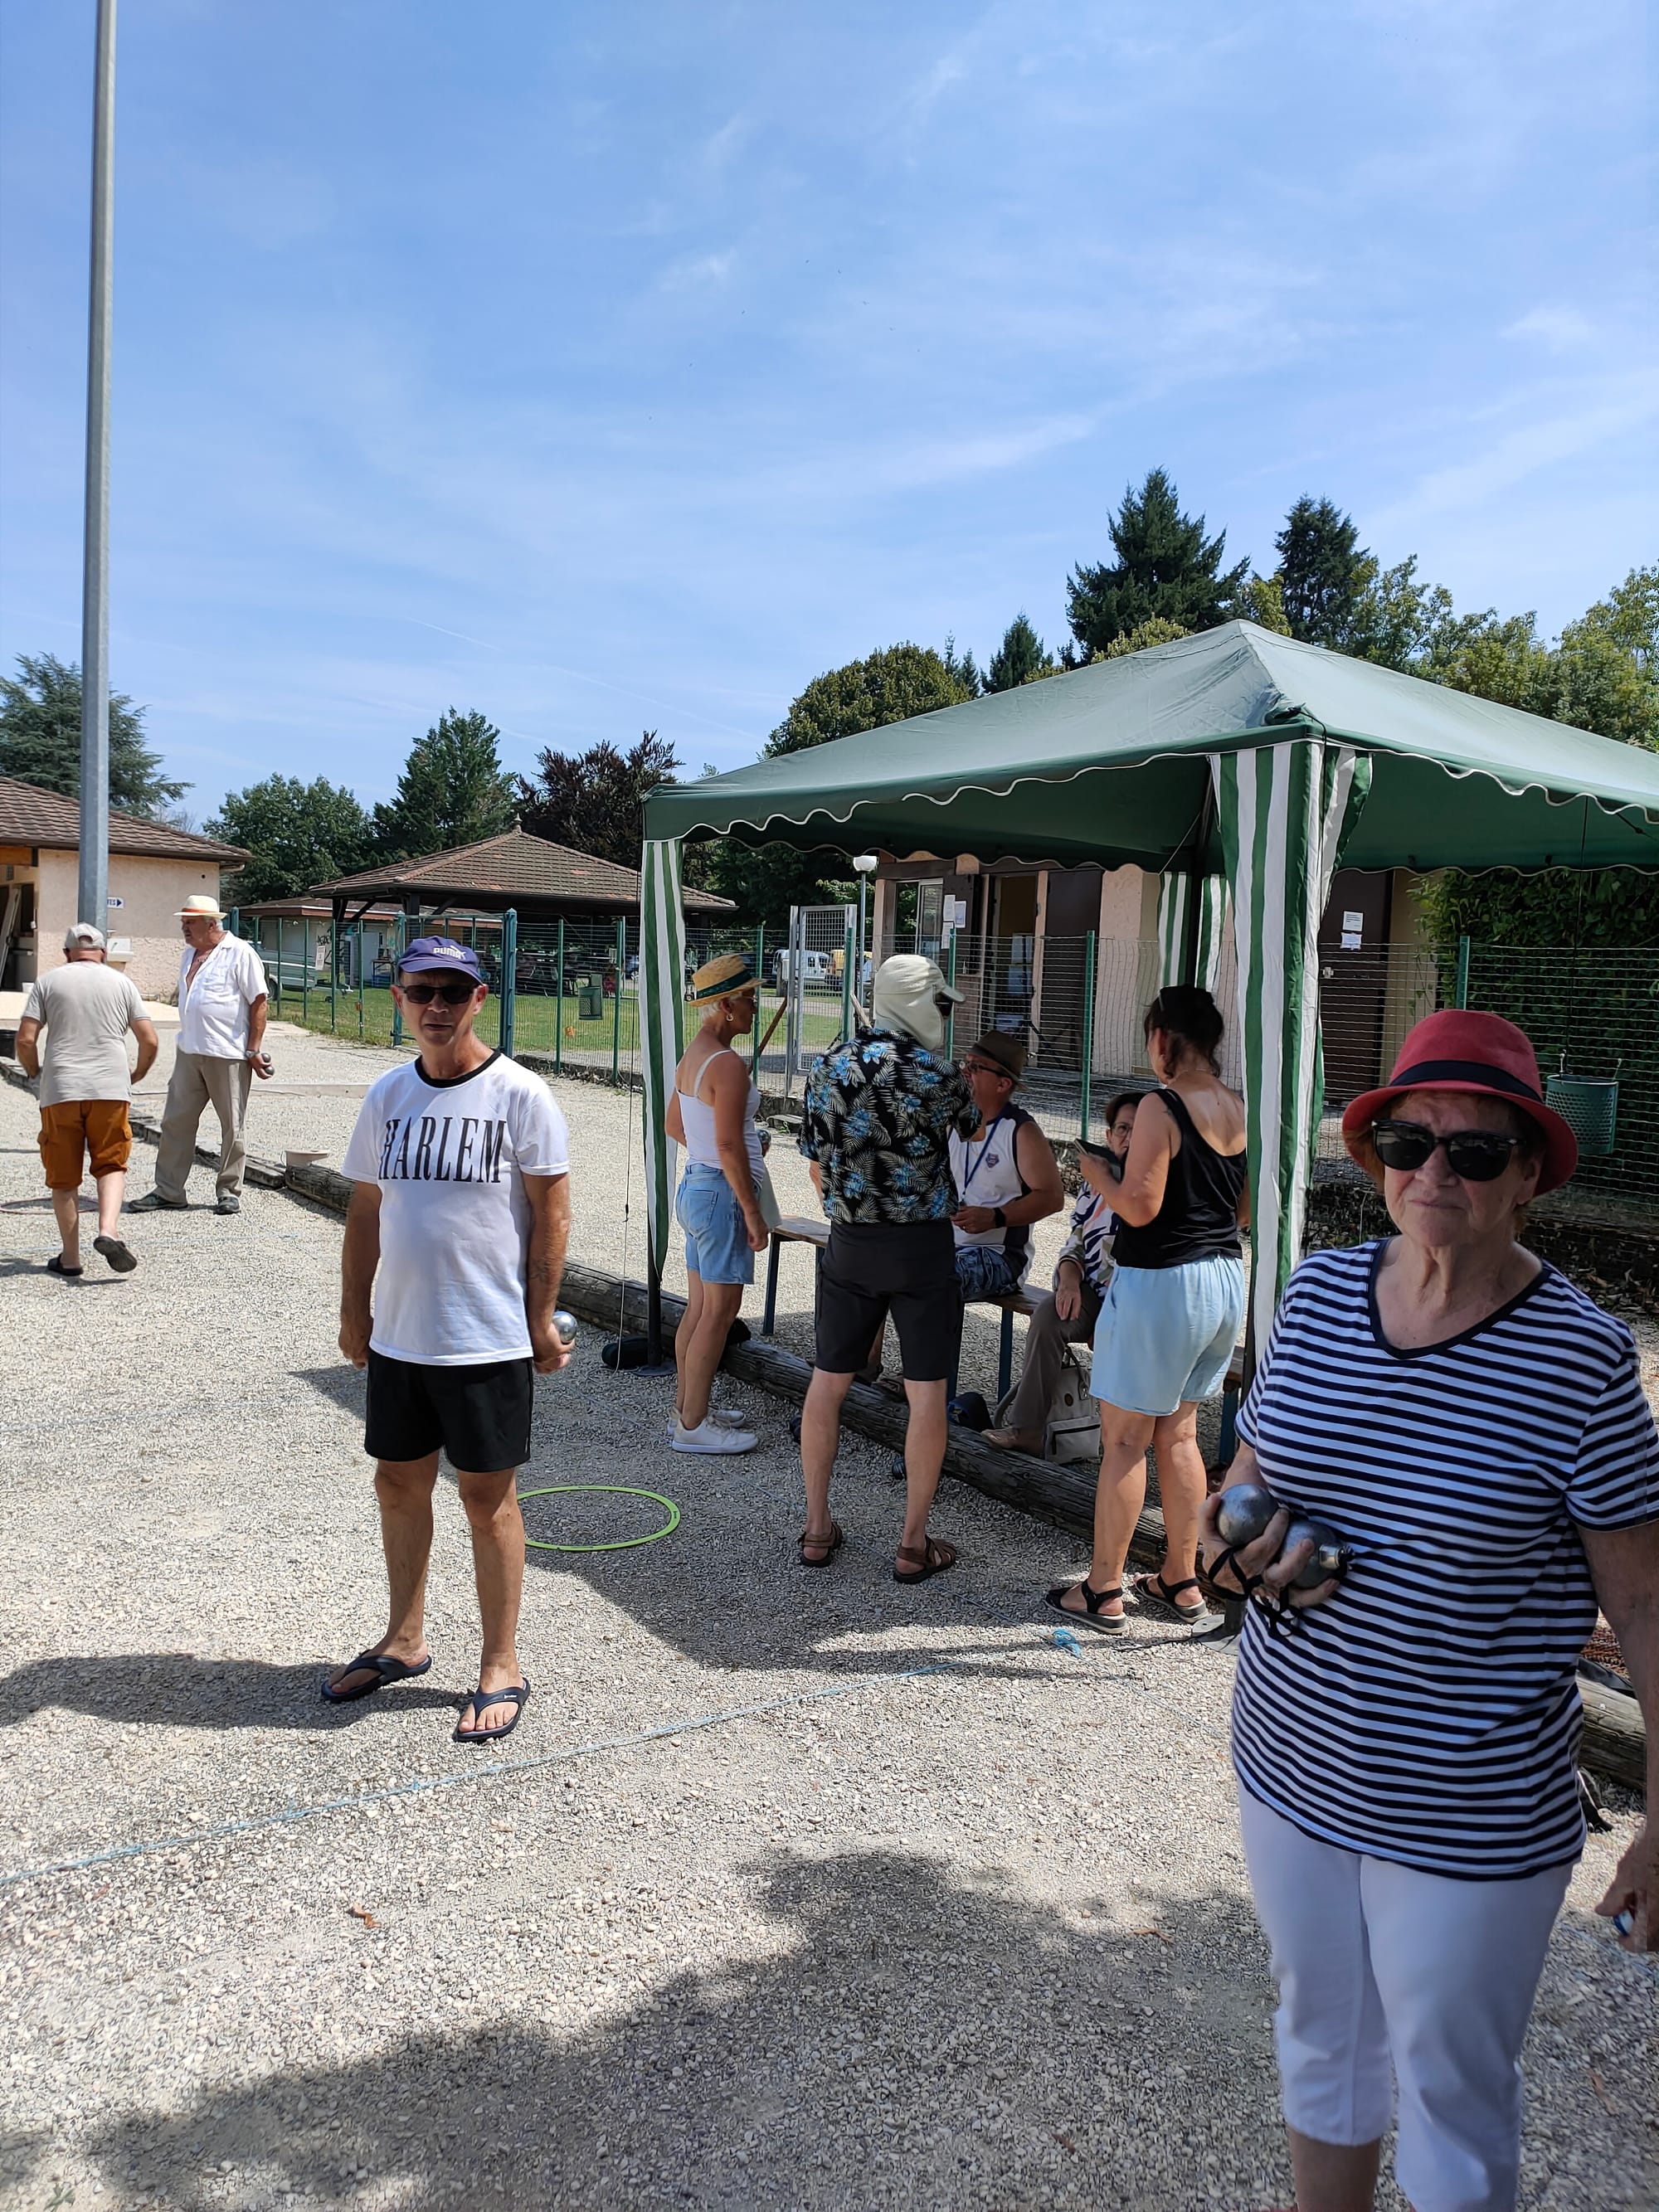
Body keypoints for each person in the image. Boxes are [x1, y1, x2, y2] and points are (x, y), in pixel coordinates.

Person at [1199, 1008, 1657, 2212]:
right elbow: (1241, 1484)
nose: (1433, 1172)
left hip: (1468, 1808)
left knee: (1451, 2099)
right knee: (1319, 2042)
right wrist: (1234, 1549)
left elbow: (1644, 1601)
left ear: (1530, 1178)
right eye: (1407, 1143)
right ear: (1376, 1158)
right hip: (1292, 1764)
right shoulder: (1317, 1291)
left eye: (1475, 1150)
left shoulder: (1582, 1360)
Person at [325, 936, 573, 1744]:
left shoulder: (519, 1094)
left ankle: (501, 1663)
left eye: (452, 992)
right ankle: (404, 1639)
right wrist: (355, 1310)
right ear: (399, 997)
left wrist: (540, 1317)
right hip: (401, 1335)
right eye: (420, 991)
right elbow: (366, 1210)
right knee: (397, 1484)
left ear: (478, 998)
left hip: (484, 1337)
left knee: (485, 1499)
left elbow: (552, 1212)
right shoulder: (388, 1094)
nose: (436, 1006)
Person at [1046, 986, 1248, 1632]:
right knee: (1180, 1434)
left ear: (1162, 1038)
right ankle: (1181, 1578)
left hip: (1161, 1283)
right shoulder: (1238, 1107)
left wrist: (1095, 1174)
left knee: (1127, 1440)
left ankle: (1103, 1588)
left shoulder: (1163, 1104)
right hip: (1223, 1279)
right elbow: (1243, 1209)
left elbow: (1138, 1207)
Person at [796, 955, 979, 1580]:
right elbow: (972, 1128)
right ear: (920, 1002)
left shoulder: (828, 1065)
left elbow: (815, 1157)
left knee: (828, 1383)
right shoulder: (939, 1073)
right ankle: (912, 1541)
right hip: (923, 1247)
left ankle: (817, 1527)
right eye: (940, 1003)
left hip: (850, 1241)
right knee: (928, 1394)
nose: (944, 1014)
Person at [985, 1090, 1141, 1454]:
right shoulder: (1096, 1179)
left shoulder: (1154, 1188)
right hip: (1093, 1290)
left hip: (1136, 1301)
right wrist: (1068, 1279)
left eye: (1138, 1130)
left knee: (1123, 1341)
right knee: (1049, 1314)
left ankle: (1122, 1445)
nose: (1129, 1138)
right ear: (1109, 1136)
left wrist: (1112, 1319)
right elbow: (1075, 1240)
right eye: (1122, 1129)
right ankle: (1026, 1430)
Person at [664, 953, 767, 1454]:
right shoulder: (726, 1064)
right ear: (726, 1005)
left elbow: (676, 1124)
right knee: (719, 1311)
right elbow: (728, 1145)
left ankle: (688, 1407)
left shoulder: (697, 1053)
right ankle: (694, 1426)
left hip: (697, 1186)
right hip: (721, 1194)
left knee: (700, 1307)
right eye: (748, 998)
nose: (755, 1006)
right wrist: (752, 1210)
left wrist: (717, 1155)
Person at [16, 923, 158, 1278]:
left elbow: (25, 1040)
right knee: (111, 1164)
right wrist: (136, 1074)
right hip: (110, 1088)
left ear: (67, 953)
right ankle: (108, 1230)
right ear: (104, 953)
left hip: (61, 1089)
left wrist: (34, 1073)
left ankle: (70, 1258)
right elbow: (150, 1040)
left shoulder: (48, 982)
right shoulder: (122, 983)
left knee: (64, 1177)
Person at [129, 894, 271, 1217]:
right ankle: (169, 1190)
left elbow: (259, 1001)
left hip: (228, 1053)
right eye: (183, 922)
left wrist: (253, 1048)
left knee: (232, 1125)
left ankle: (229, 1191)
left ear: (211, 924)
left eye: (190, 922)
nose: (184, 928)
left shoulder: (240, 953)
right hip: (189, 1050)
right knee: (175, 1121)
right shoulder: (189, 954)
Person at [948, 1033, 1065, 1300]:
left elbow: (1052, 1198)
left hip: (997, 1255)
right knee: (881, 1265)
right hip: (946, 1246)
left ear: (1002, 1084)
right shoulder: (951, 1121)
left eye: (975, 1067)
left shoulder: (1021, 1131)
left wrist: (996, 1217)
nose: (964, 1072)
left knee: (934, 1279)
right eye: (964, 1063)